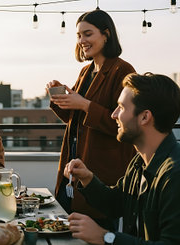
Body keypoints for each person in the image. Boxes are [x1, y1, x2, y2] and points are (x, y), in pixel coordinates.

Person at [65, 73, 180, 244]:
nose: (114, 115)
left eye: (121, 107)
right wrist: (87, 178)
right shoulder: (140, 162)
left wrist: (105, 237)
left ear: (144, 117)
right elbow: (116, 203)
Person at [46, 9, 136, 229]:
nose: (82, 41)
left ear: (106, 35)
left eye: (88, 34)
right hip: (74, 163)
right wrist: (60, 99)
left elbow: (124, 124)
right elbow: (75, 119)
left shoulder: (122, 70)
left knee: (97, 230)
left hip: (101, 170)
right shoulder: (87, 71)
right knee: (69, 229)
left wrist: (85, 104)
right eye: (78, 36)